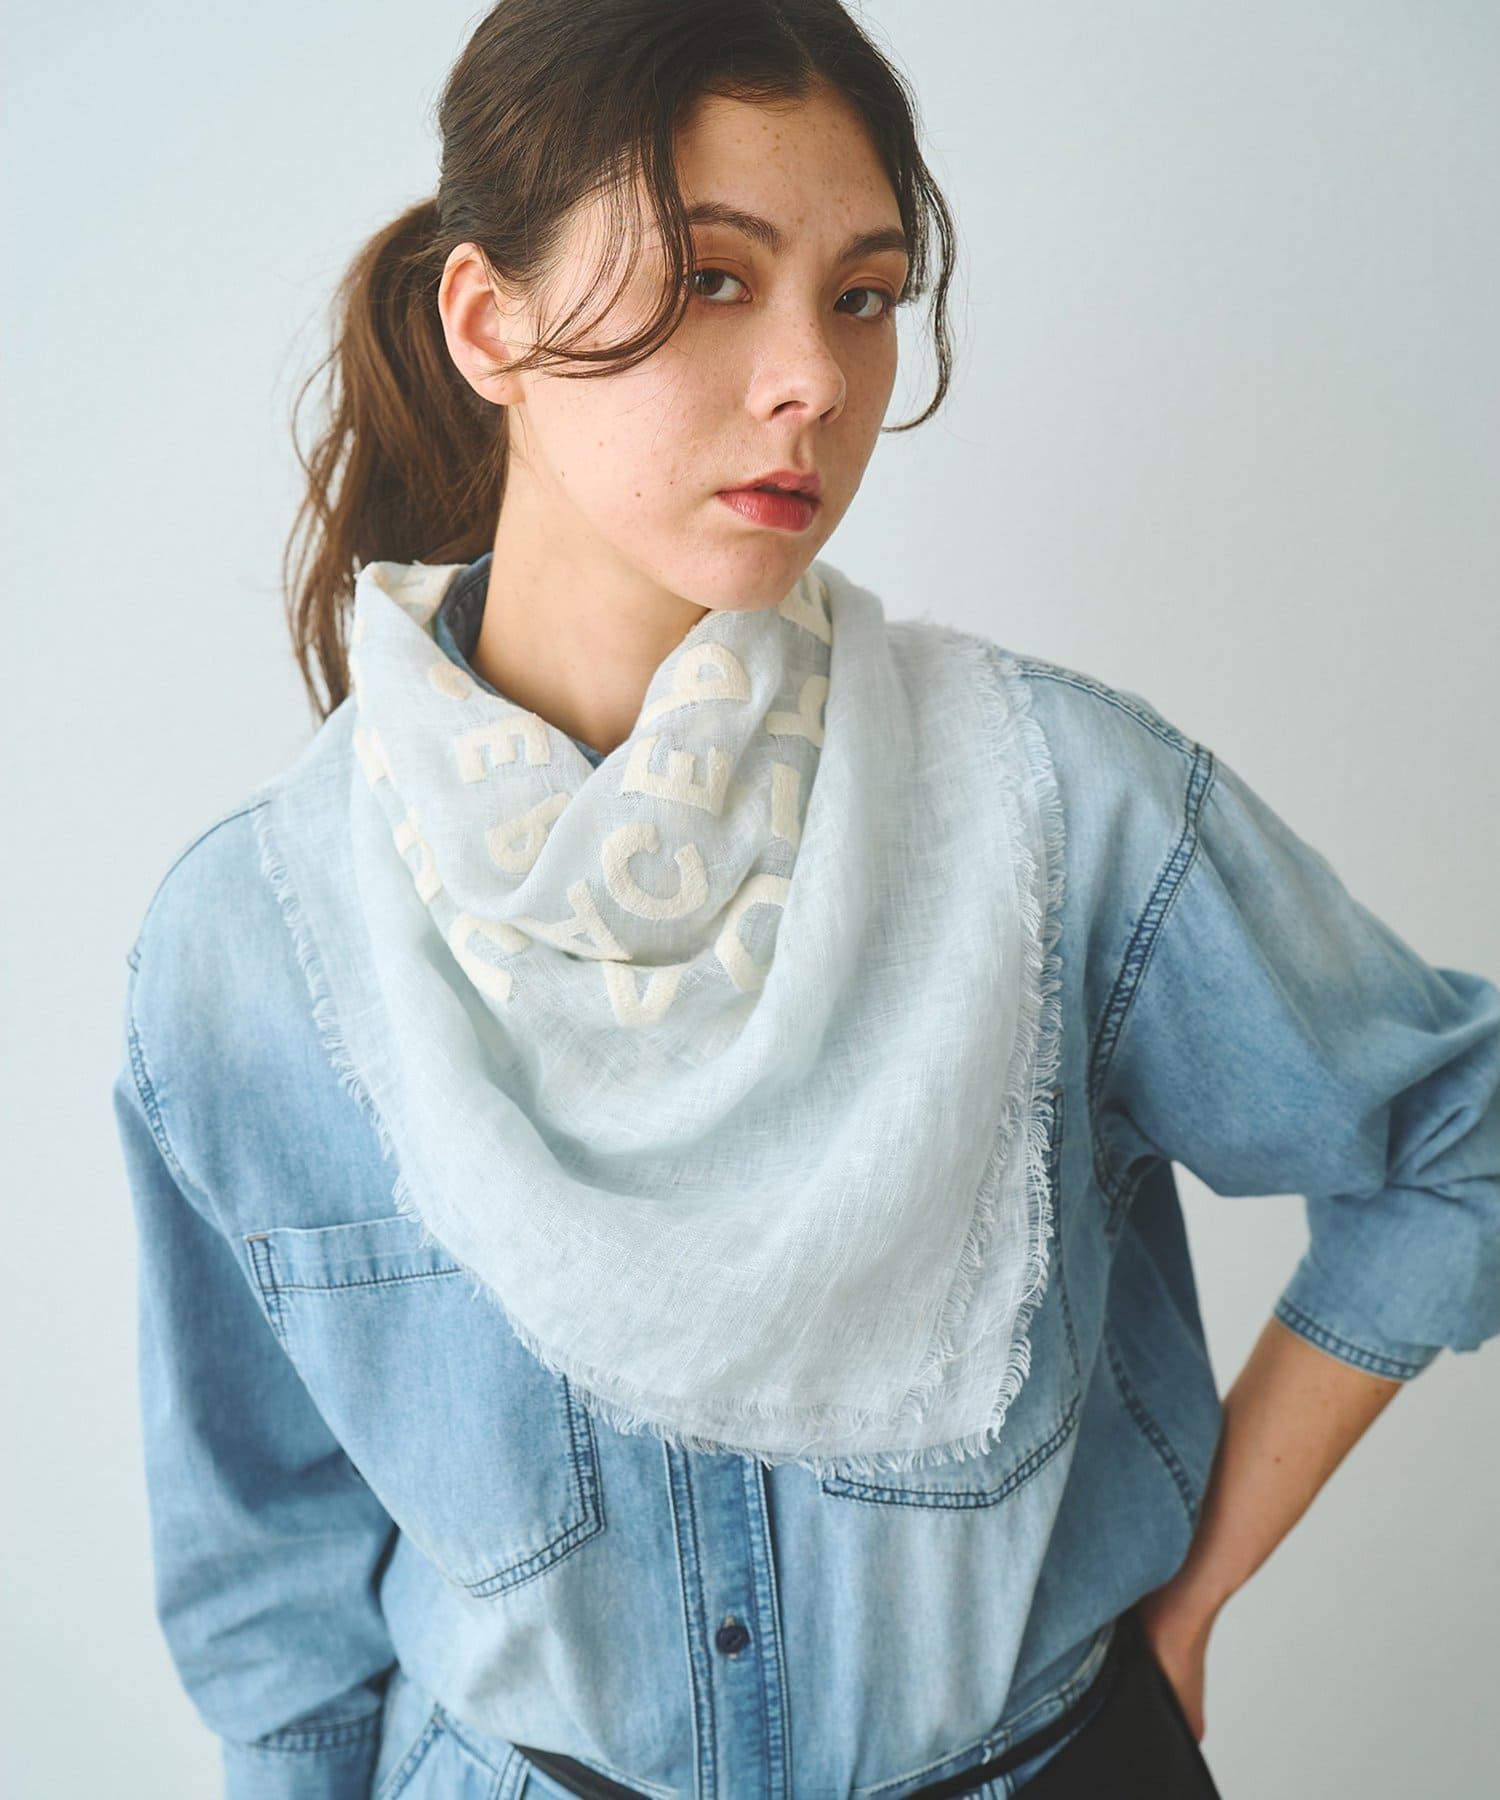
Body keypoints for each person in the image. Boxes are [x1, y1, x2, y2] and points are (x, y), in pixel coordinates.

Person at [109, 2, 1500, 1796]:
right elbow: (274, 1605)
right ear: (488, 322)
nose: (816, 382)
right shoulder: (254, 950)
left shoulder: (1055, 813)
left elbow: (1455, 1126)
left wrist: (1191, 1596)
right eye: (712, 279)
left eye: (861, 294)